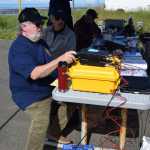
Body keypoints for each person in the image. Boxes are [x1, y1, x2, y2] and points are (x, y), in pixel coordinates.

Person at [8, 8, 76, 150]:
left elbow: (50, 65)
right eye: (37, 24)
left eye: (41, 24)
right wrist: (60, 59)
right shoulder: (19, 47)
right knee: (41, 118)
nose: (41, 27)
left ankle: (53, 133)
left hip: (46, 87)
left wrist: (69, 74)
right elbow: (34, 74)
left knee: (70, 102)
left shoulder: (40, 43)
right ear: (24, 27)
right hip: (28, 93)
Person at [42, 9, 77, 144]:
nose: (60, 21)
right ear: (51, 18)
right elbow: (38, 48)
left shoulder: (70, 35)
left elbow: (70, 56)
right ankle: (52, 130)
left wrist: (54, 61)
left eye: (63, 18)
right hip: (43, 69)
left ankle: (54, 131)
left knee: (68, 100)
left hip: (60, 70)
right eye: (57, 17)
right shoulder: (45, 31)